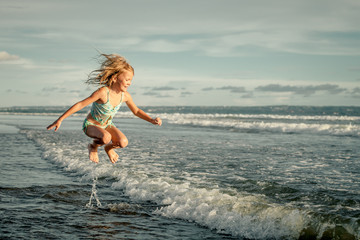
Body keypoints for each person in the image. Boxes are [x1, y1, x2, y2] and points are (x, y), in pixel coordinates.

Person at [47, 54, 162, 164]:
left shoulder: (125, 95)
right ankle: (93, 146)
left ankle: (108, 149)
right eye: (127, 80)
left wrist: (151, 120)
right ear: (115, 78)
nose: (129, 83)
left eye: (131, 80)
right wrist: (60, 119)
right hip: (91, 125)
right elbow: (81, 104)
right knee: (106, 137)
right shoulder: (102, 92)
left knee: (123, 142)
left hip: (107, 125)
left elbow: (136, 111)